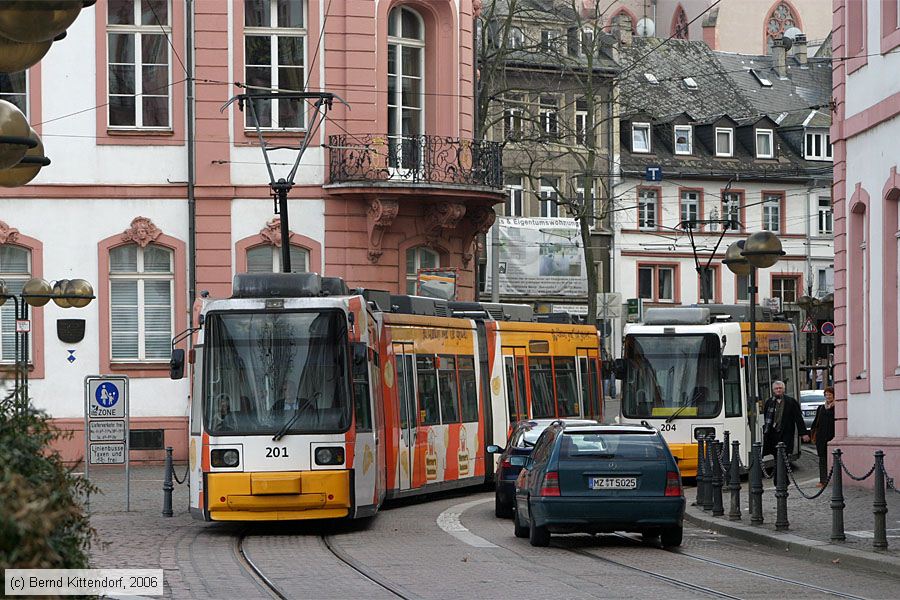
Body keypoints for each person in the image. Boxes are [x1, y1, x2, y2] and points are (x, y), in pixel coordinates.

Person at [762, 380, 809, 459]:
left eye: (780, 388)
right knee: (775, 454)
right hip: (772, 433)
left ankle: (783, 471)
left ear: (784, 389)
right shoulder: (769, 402)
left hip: (786, 433)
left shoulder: (791, 402)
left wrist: (803, 433)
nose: (778, 390)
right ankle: (778, 470)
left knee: (784, 454)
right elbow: (766, 418)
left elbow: (798, 418)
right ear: (773, 390)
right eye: (776, 389)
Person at [810, 386, 836, 488]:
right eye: (826, 395)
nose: (828, 396)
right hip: (821, 438)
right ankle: (823, 480)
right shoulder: (821, 408)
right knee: (822, 459)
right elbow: (815, 423)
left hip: (832, 436)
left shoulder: (837, 407)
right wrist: (810, 435)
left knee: (834, 458)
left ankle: (835, 478)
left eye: (830, 394)